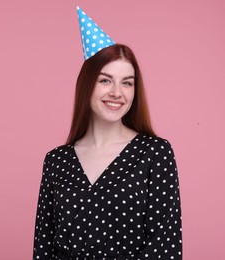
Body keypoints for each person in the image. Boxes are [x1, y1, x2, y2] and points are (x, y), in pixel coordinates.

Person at [33, 7, 182, 260]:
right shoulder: (56, 161)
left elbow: (164, 245)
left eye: (126, 82)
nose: (117, 92)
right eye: (105, 80)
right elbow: (43, 247)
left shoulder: (154, 153)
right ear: (86, 84)